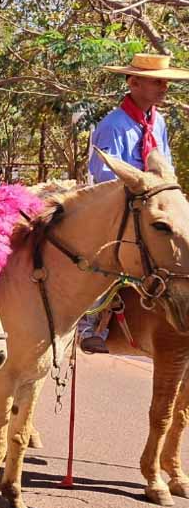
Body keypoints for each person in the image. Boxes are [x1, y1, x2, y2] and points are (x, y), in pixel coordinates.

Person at [79, 52, 189, 353]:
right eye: (157, 82)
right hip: (121, 203)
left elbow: (164, 163)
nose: (164, 87)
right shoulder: (114, 125)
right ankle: (90, 323)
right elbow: (104, 174)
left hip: (152, 200)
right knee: (105, 254)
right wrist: (140, 187)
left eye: (165, 82)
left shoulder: (158, 122)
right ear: (134, 82)